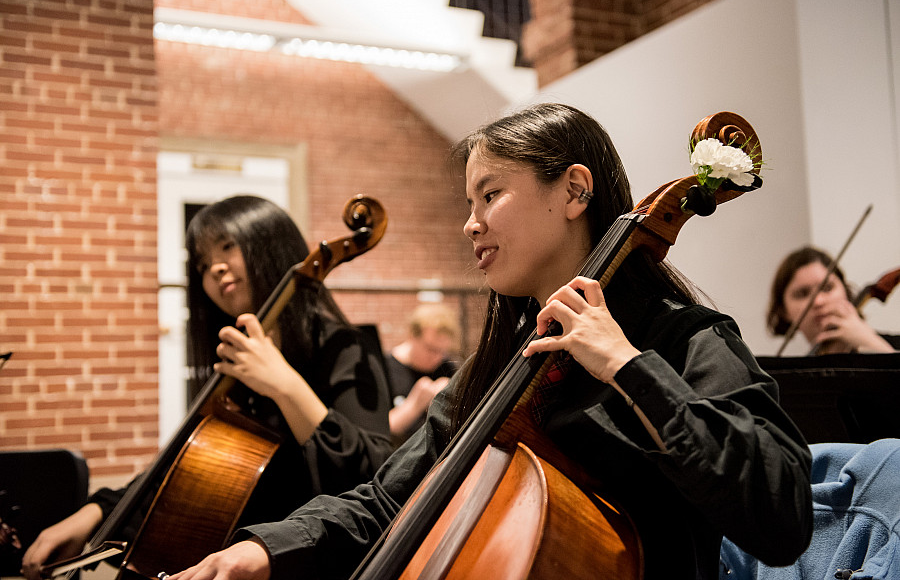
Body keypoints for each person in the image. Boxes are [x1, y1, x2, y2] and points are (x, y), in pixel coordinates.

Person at [167, 103, 813, 580]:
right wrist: (260, 550)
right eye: (469, 200)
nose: (470, 223)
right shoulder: (496, 370)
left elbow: (781, 517)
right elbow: (390, 497)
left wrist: (626, 365)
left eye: (491, 194)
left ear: (574, 190)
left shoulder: (684, 339)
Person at [21, 196, 394, 580]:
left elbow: (376, 480)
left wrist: (285, 386)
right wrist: (96, 513)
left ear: (271, 243)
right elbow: (182, 472)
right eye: (202, 263)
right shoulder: (232, 366)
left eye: (228, 246)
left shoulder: (345, 349)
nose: (215, 268)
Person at [767, 246, 898, 354]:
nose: (818, 301)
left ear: (845, 291)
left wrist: (870, 343)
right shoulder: (792, 379)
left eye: (827, 288)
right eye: (802, 294)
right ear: (784, 311)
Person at [385, 302, 460, 443]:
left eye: (442, 351)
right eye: (431, 349)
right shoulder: (387, 367)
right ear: (412, 336)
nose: (437, 358)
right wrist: (415, 404)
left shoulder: (448, 368)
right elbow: (382, 429)